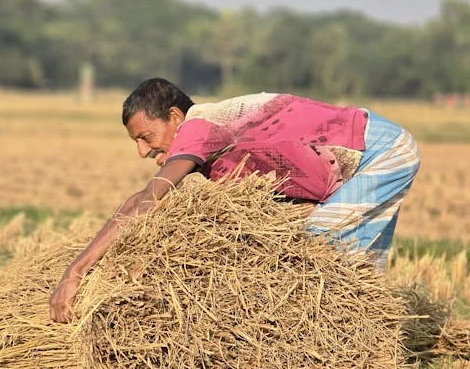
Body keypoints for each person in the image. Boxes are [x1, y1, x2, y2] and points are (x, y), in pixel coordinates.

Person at [49, 78, 421, 323]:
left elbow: (148, 199)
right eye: (136, 142)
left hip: (380, 151)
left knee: (317, 254)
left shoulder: (199, 126)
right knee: (356, 268)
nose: (142, 151)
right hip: (366, 157)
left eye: (146, 136)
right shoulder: (212, 145)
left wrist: (75, 272)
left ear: (174, 117)